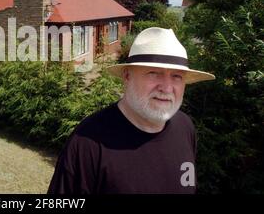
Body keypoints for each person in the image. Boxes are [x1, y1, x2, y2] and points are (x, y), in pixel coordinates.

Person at [47, 27, 215, 194]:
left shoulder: (185, 127)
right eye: (154, 73)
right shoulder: (88, 142)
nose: (167, 88)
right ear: (127, 76)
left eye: (177, 76)